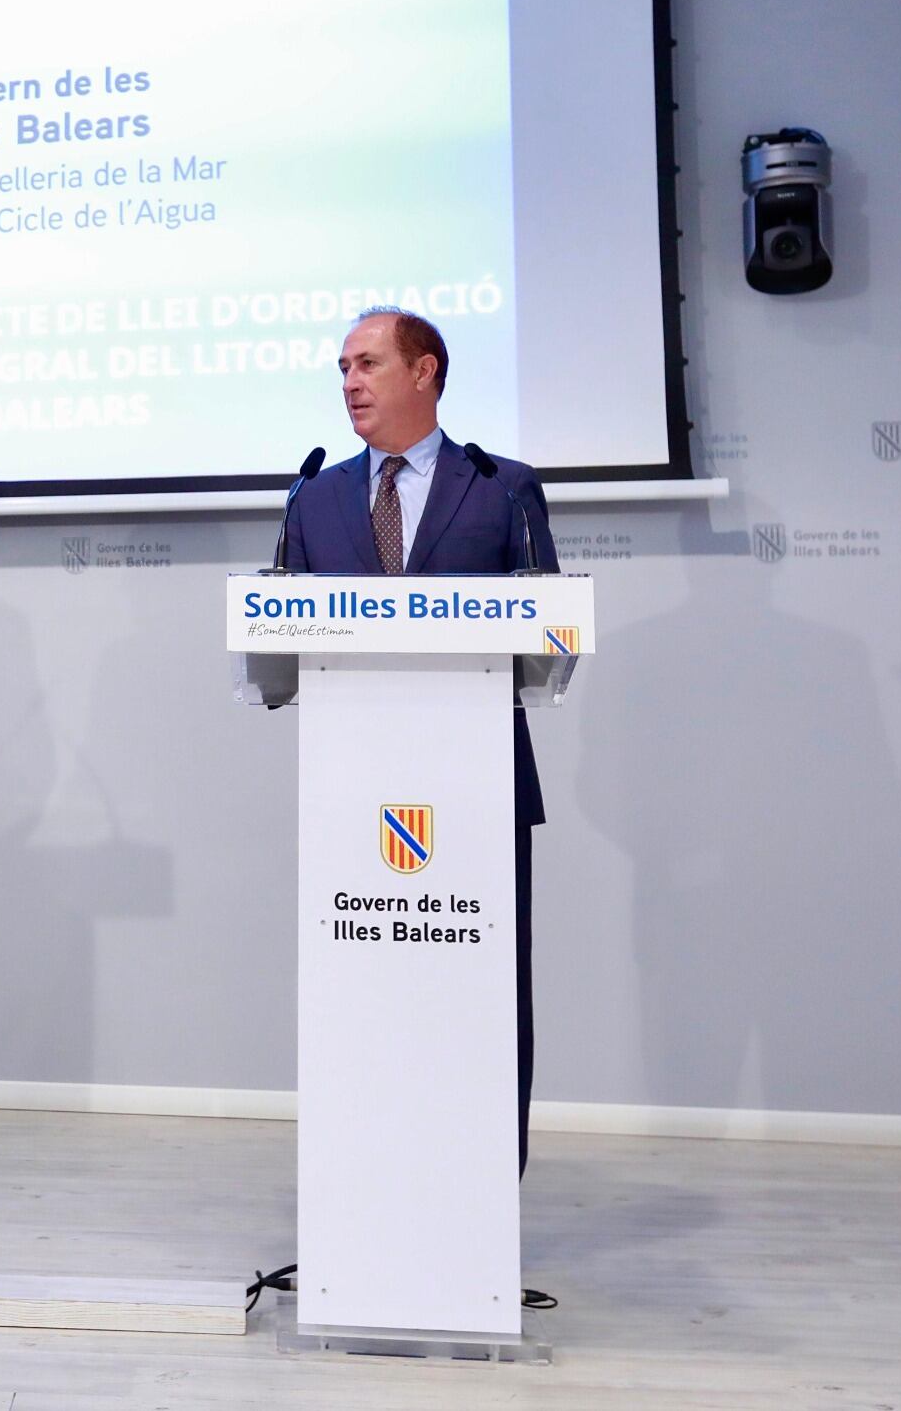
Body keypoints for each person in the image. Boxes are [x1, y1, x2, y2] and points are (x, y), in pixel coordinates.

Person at [281, 305, 554, 1174]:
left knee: (482, 996)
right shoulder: (314, 496)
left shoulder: (501, 487)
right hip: (350, 789)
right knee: (361, 996)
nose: (351, 383)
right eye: (343, 370)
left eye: (367, 364)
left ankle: (481, 1191)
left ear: (424, 370)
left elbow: (549, 622)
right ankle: (360, 1183)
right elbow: (282, 633)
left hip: (476, 786)